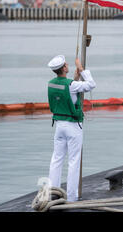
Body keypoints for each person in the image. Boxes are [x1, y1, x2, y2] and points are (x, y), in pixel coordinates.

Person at [47, 55, 96, 202]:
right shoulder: (71, 85)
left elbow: (67, 93)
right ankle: (72, 197)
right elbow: (91, 84)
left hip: (59, 125)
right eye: (66, 64)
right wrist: (82, 70)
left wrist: (74, 79)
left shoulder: (51, 83)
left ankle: (53, 192)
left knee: (56, 159)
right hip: (73, 126)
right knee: (74, 161)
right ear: (63, 68)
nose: (68, 65)